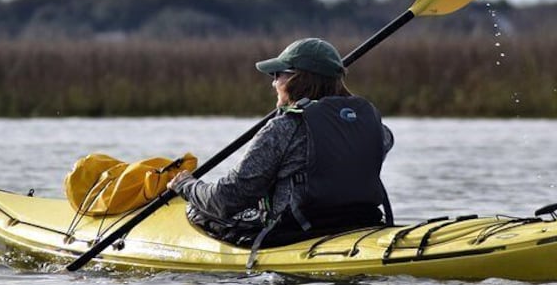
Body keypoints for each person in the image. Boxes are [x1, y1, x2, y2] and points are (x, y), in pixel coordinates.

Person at [167, 37, 394, 257]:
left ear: (297, 80)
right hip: (363, 221)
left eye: (278, 75)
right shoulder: (375, 126)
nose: (273, 83)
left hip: (296, 232)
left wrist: (188, 185)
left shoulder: (283, 128)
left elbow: (226, 200)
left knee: (198, 210)